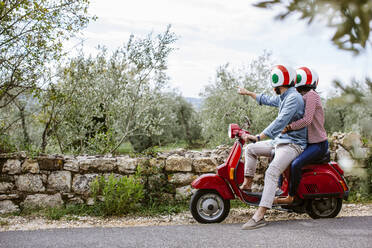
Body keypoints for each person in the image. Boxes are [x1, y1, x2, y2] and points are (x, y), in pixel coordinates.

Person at [237, 65, 307, 230]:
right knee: (250, 150)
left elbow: (280, 122)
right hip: (280, 141)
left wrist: (259, 137)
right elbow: (266, 99)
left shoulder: (293, 99)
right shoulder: (285, 96)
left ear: (278, 82)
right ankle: (247, 184)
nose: (273, 88)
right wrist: (248, 93)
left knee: (272, 171)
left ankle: (260, 216)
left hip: (293, 144)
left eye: (273, 84)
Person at [274, 67, 328, 205]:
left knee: (296, 164)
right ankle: (280, 189)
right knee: (281, 157)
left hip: (318, 144)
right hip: (309, 143)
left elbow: (307, 120)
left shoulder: (311, 95)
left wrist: (288, 127)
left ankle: (291, 197)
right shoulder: (301, 96)